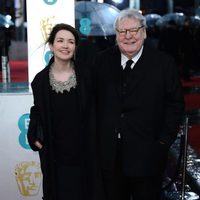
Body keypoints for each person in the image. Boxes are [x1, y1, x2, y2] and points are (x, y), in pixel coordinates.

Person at [93, 8, 185, 200]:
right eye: (122, 31)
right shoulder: (101, 61)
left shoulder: (163, 63)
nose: (128, 36)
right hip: (109, 157)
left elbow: (175, 105)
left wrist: (162, 142)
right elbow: (91, 101)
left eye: (133, 30)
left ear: (144, 32)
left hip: (148, 156)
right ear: (116, 34)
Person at [27, 23, 95, 200]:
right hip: (55, 157)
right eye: (60, 40)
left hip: (85, 155)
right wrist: (34, 133)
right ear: (51, 45)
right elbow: (37, 110)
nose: (65, 45)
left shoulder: (87, 75)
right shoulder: (40, 81)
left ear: (75, 47)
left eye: (71, 42)